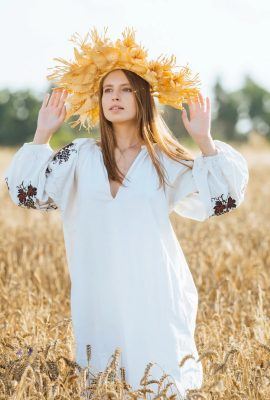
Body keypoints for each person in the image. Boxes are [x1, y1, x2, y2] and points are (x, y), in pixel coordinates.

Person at [3, 27, 249, 399]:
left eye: (125, 90)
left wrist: (204, 141)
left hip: (155, 292)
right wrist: (42, 134)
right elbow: (27, 193)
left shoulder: (164, 159)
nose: (114, 98)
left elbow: (224, 196)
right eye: (107, 90)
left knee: (159, 384)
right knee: (105, 384)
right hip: (97, 296)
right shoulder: (80, 156)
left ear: (143, 97)